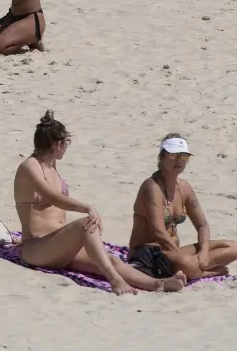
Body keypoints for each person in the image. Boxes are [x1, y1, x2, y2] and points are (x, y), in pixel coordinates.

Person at [14, 111, 187, 295]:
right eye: (66, 143)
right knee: (85, 224)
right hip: (36, 248)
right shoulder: (29, 167)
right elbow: (53, 197)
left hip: (59, 247)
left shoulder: (51, 165)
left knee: (109, 259)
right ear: (57, 145)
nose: (67, 147)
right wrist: (87, 208)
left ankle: (158, 284)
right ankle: (115, 280)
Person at [127, 135, 237, 281]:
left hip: (173, 252)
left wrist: (204, 252)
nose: (179, 161)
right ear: (161, 158)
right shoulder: (151, 187)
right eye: (173, 155)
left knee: (233, 247)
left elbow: (202, 225)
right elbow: (159, 232)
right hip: (149, 253)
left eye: (184, 156)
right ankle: (205, 272)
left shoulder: (184, 188)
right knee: (188, 263)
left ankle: (195, 267)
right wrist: (182, 257)